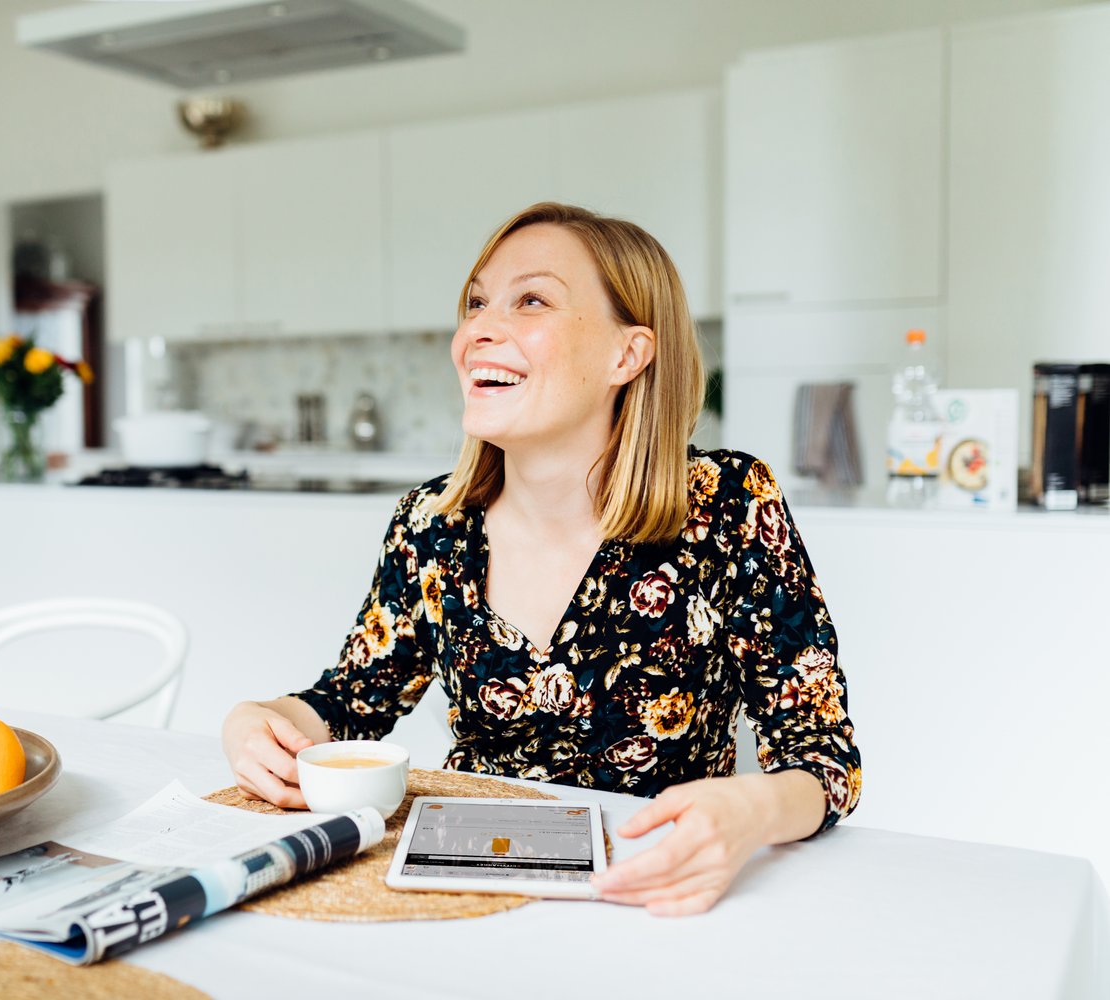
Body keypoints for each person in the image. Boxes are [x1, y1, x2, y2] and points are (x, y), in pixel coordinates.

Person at [221, 202, 861, 916]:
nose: (477, 331)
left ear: (628, 353)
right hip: (466, 891)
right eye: (475, 302)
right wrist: (262, 720)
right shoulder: (432, 526)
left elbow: (824, 761)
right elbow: (346, 704)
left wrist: (754, 809)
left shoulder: (729, 504)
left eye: (531, 299)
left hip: (653, 903)